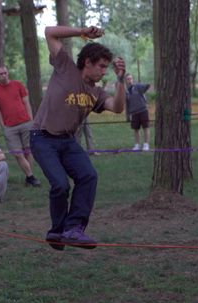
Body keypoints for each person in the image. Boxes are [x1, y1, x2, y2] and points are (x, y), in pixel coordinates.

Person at [30, 25, 126, 250]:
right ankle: (56, 232)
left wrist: (120, 81)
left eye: (106, 68)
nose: (104, 71)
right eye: (101, 66)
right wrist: (82, 32)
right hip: (42, 138)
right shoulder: (65, 67)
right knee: (61, 185)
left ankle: (73, 230)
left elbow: (118, 107)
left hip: (67, 142)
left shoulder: (97, 92)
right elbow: (49, 32)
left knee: (88, 176)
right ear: (87, 62)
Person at [0, 66, 41, 187]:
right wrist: (3, 125)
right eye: (0, 73)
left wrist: (31, 120)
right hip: (9, 127)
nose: (3, 75)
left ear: (8, 73)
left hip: (25, 122)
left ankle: (29, 177)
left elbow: (26, 102)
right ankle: (31, 177)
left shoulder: (18, 84)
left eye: (5, 73)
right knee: (18, 154)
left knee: (28, 152)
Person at [125, 73, 151, 151]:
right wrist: (127, 116)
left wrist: (146, 86)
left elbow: (146, 87)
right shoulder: (127, 92)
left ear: (133, 79)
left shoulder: (137, 87)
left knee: (146, 128)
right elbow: (127, 105)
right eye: (128, 79)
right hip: (134, 113)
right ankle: (137, 145)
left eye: (130, 78)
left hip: (143, 110)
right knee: (136, 129)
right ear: (126, 81)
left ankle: (146, 145)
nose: (129, 80)